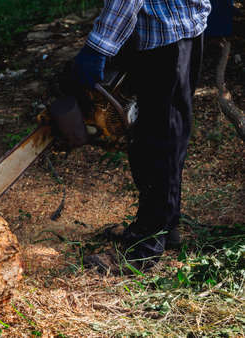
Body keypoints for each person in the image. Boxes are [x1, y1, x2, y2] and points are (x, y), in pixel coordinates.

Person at [74, 0, 211, 274]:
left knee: (159, 143)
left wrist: (98, 46)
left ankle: (145, 248)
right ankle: (163, 225)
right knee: (162, 135)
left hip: (166, 37)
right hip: (170, 29)